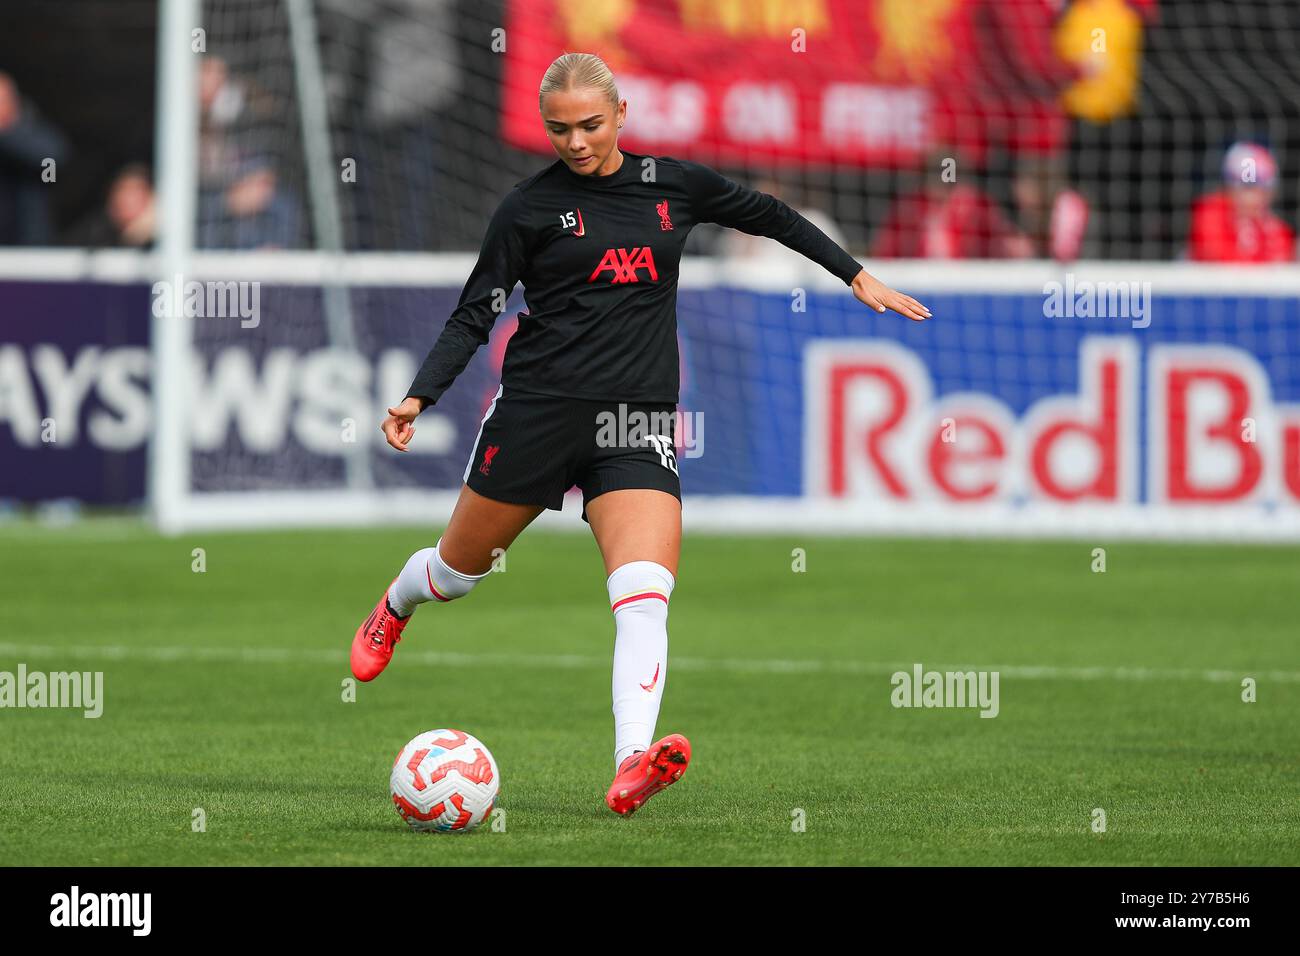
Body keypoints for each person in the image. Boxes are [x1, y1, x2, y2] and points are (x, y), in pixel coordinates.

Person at [349, 52, 930, 819]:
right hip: (535, 416)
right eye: (560, 129)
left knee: (643, 598)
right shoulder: (526, 209)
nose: (578, 142)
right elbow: (474, 312)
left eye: (591, 125)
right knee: (457, 573)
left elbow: (770, 214)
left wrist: (854, 274)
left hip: (636, 424)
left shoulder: (673, 188)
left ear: (622, 115)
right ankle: (395, 605)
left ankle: (631, 764)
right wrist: (420, 395)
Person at [1188, 142, 1295, 263]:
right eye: (1248, 187)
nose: (1256, 197)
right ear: (1230, 187)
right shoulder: (1211, 213)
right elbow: (1215, 258)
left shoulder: (1276, 230)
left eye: (1264, 189)